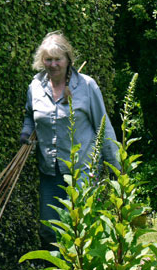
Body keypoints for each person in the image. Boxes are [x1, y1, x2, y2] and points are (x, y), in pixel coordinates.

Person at [20, 31, 119, 249]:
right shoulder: (35, 87)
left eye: (58, 59)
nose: (53, 64)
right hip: (49, 170)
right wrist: (26, 132)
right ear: (41, 60)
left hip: (82, 168)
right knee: (48, 227)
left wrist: (116, 168)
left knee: (77, 225)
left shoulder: (86, 86)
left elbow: (103, 126)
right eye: (48, 59)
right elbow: (30, 115)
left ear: (68, 60)